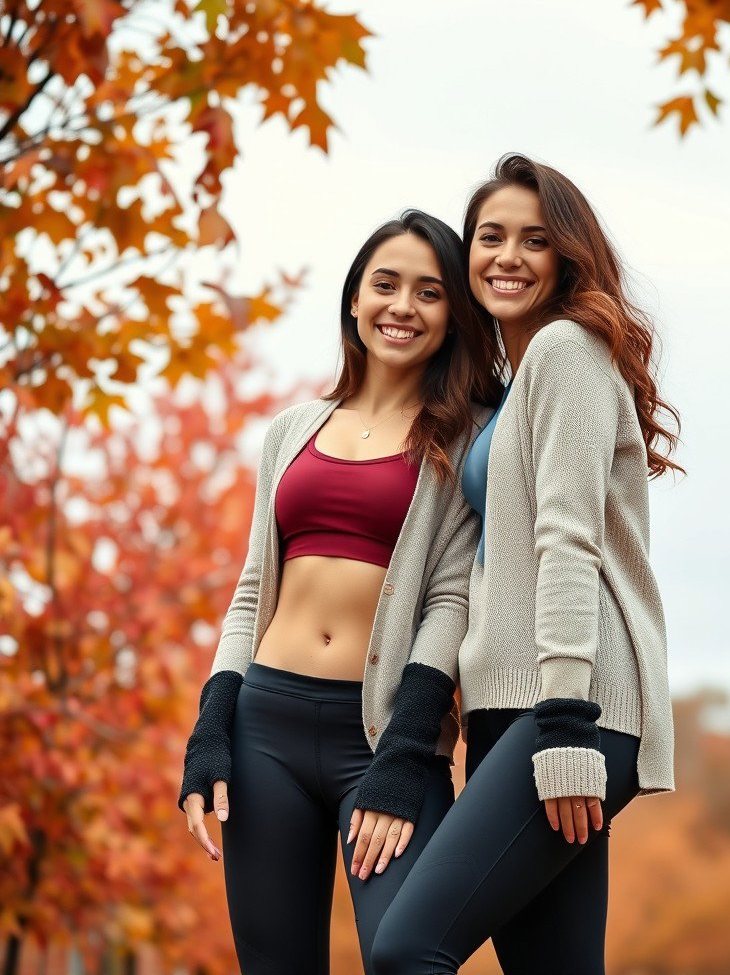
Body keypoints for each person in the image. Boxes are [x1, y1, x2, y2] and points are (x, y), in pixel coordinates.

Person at [370, 155, 682, 975]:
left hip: (570, 709)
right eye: (490, 236)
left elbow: (568, 541)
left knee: (408, 950)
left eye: (533, 240)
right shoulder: (508, 388)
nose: (506, 256)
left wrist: (567, 723)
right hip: (511, 709)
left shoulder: (567, 352)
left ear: (566, 257)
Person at [177, 210, 500, 975]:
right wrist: (210, 728)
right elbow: (255, 588)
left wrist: (403, 754)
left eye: (429, 292)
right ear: (354, 300)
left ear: (454, 313)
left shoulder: (468, 436)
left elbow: (452, 602)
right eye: (385, 285)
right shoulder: (292, 429)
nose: (403, 307)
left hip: (386, 734)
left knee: (406, 957)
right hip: (266, 729)